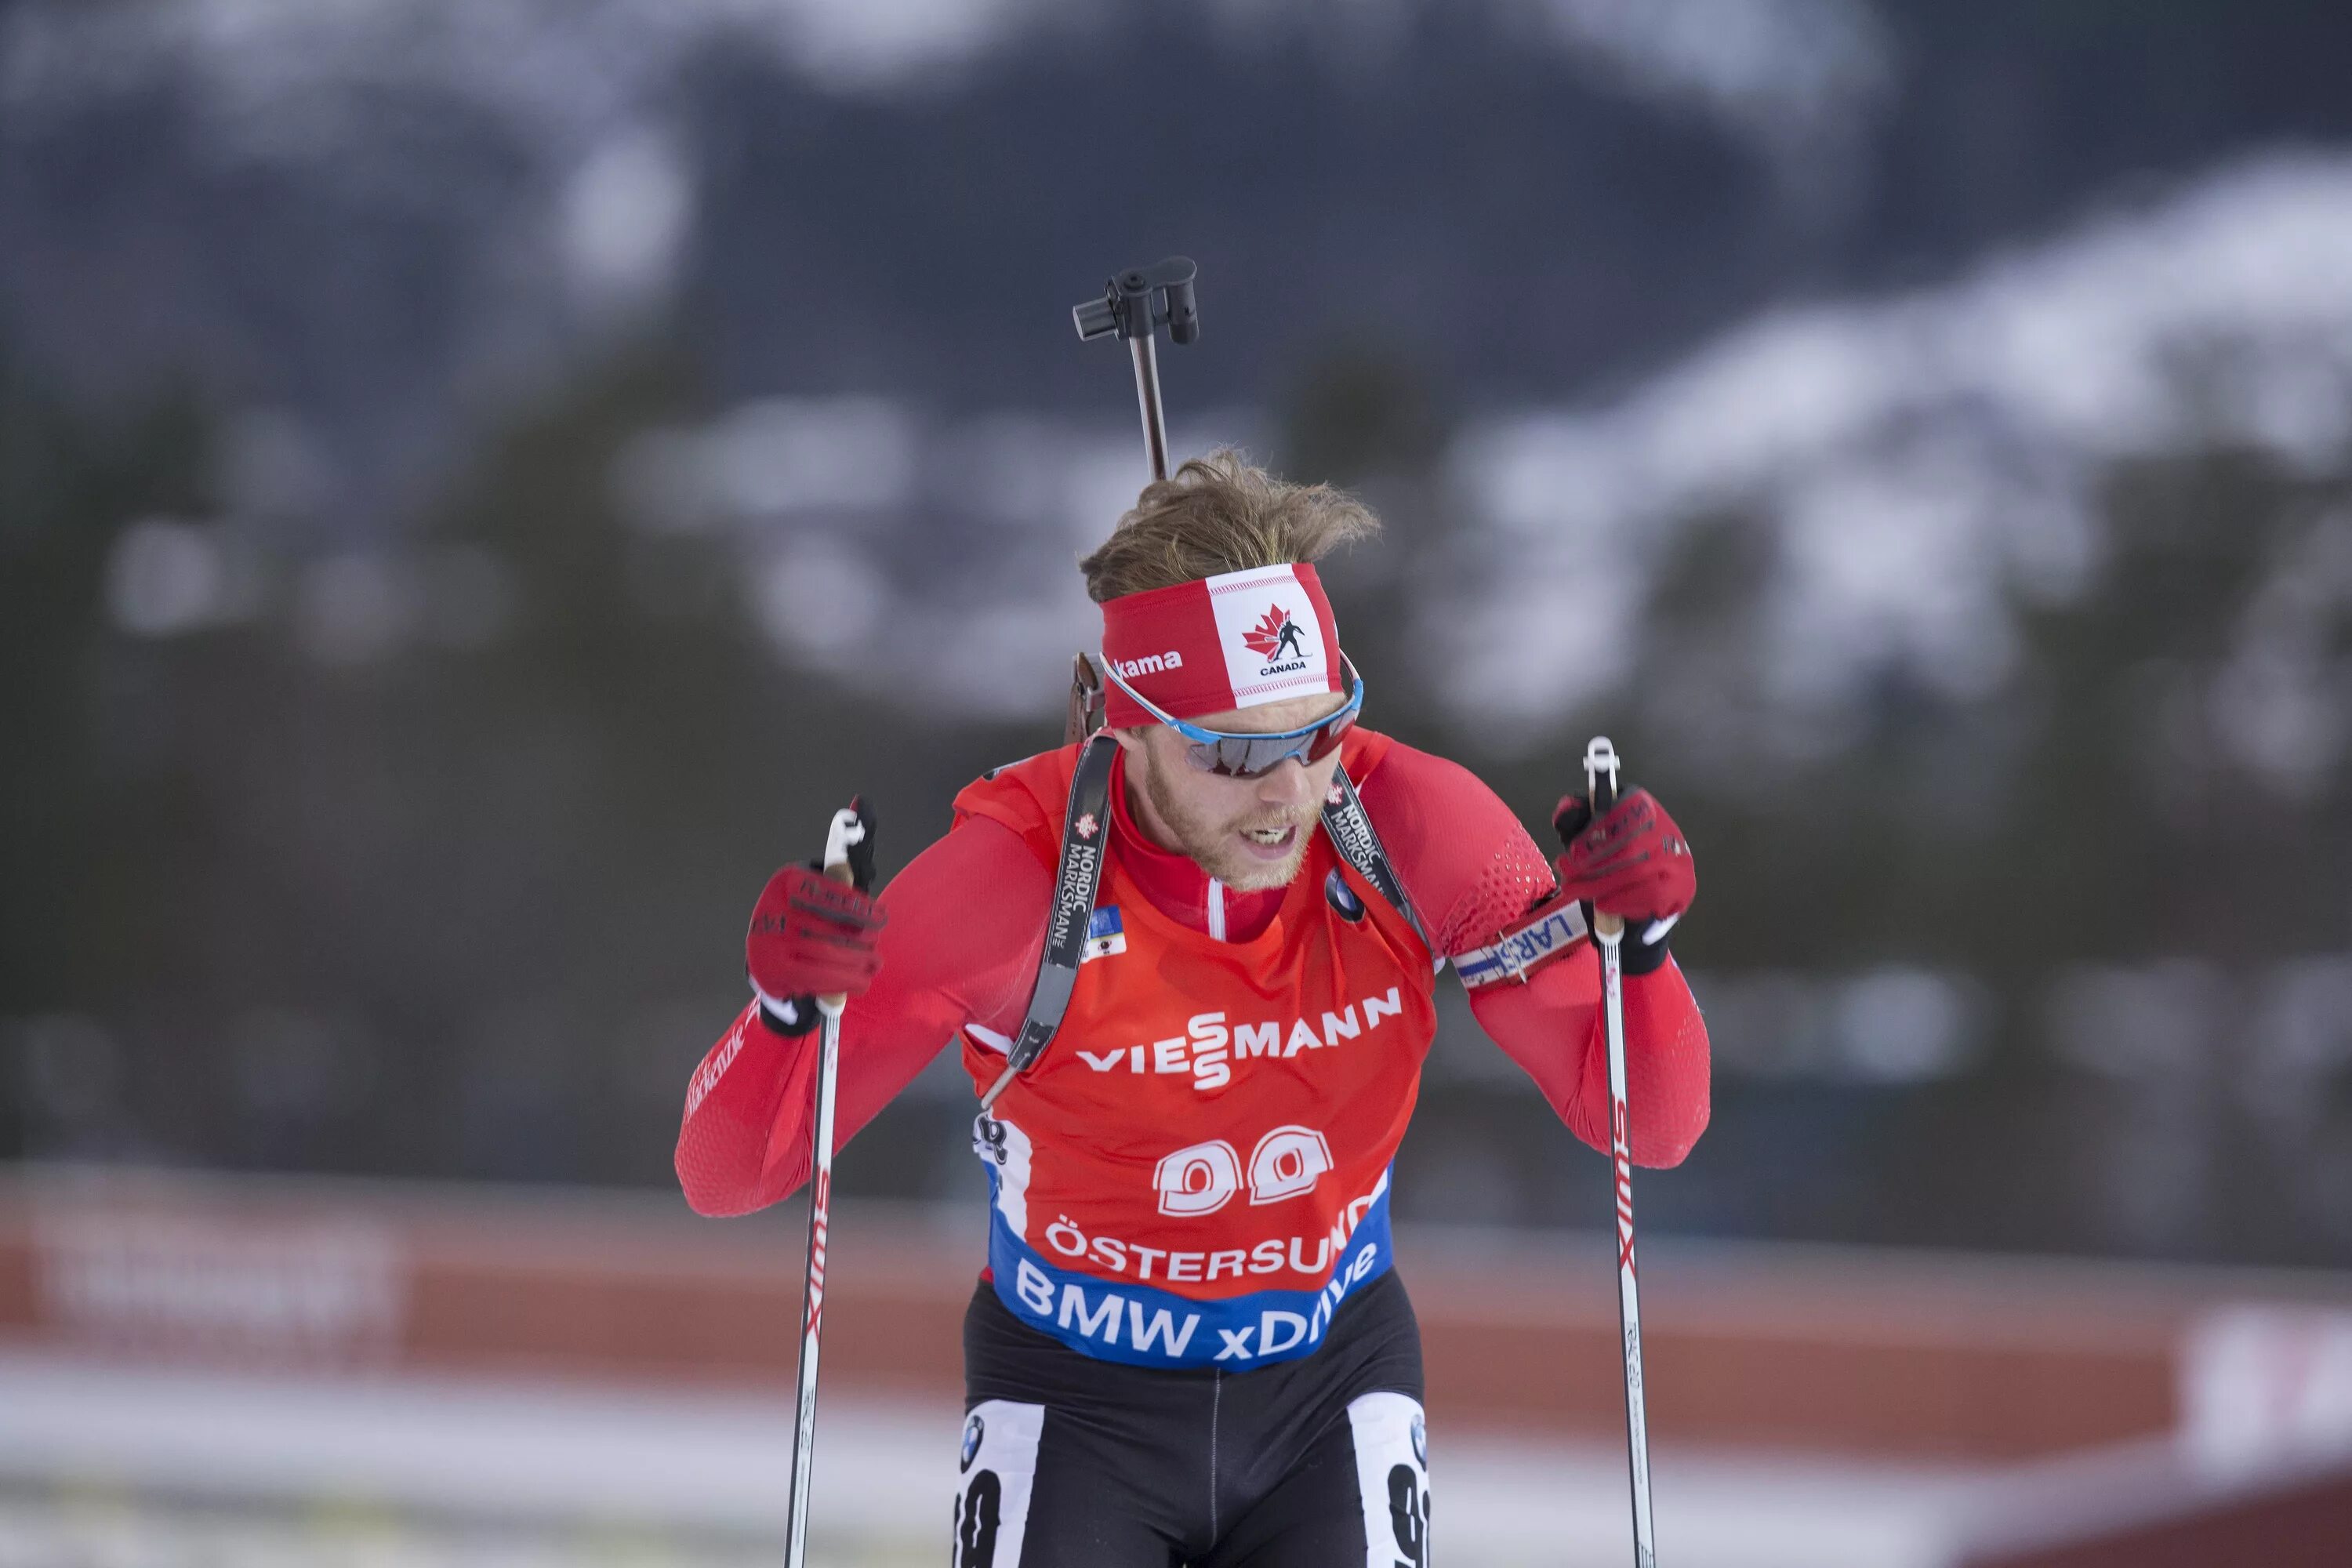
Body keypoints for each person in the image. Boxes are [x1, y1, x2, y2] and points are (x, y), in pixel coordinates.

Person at [675, 452, 1709, 1567]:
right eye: (1234, 752)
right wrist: (784, 1013)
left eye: (1319, 731)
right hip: (1076, 1403)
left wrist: (1638, 951)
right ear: (1122, 726)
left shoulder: (1414, 832)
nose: (1288, 794)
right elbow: (729, 1176)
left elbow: (1646, 1125)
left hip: (1330, 1379)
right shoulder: (1012, 889)